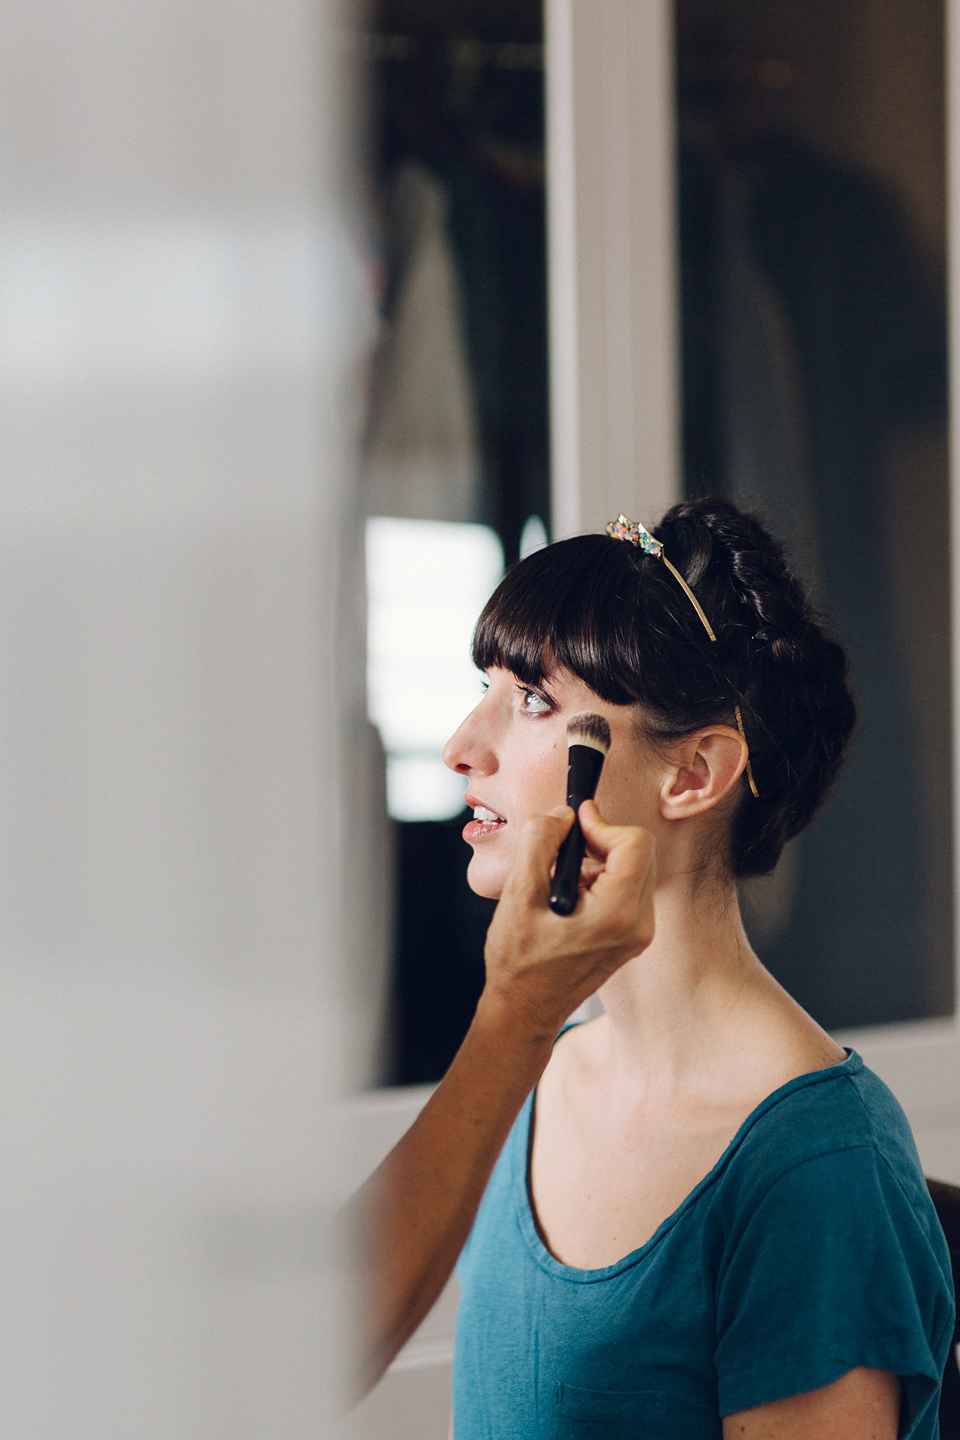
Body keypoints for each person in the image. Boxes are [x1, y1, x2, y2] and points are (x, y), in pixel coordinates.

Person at [354, 498, 954, 1439]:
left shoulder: (819, 1166)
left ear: (693, 775)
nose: (463, 746)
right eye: (488, 687)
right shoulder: (530, 1080)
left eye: (535, 701)